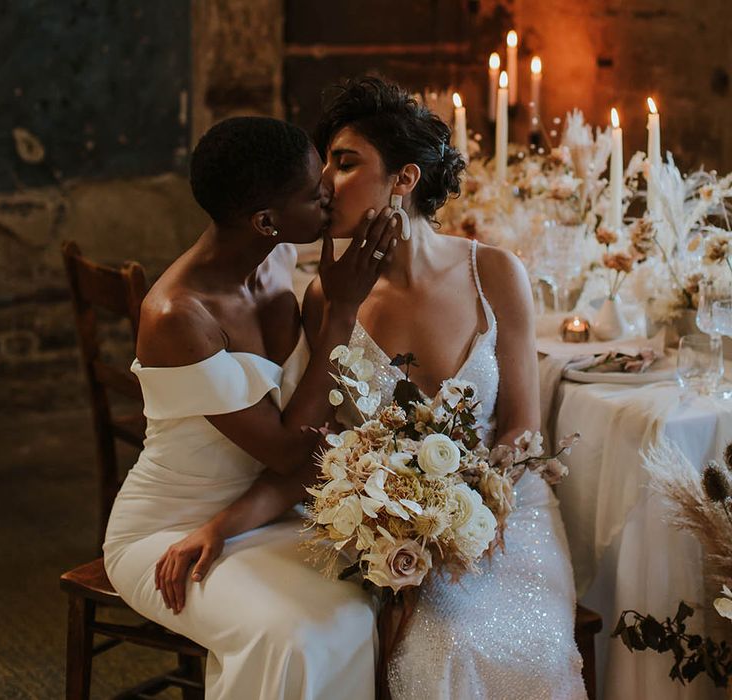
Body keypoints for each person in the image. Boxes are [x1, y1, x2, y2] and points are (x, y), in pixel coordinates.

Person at [303, 77, 587, 699]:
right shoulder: (328, 296)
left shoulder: (494, 273)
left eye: (345, 162)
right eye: (325, 161)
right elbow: (326, 431)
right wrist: (403, 523)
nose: (323, 181)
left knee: (484, 641)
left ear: (404, 179)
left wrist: (470, 512)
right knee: (435, 645)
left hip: (509, 519)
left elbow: (521, 426)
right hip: (389, 529)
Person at [103, 116, 398, 700]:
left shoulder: (276, 262)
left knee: (371, 604)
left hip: (265, 513)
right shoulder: (176, 317)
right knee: (291, 636)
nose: (331, 195)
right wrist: (339, 313)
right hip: (170, 534)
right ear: (265, 221)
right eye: (316, 193)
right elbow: (292, 446)